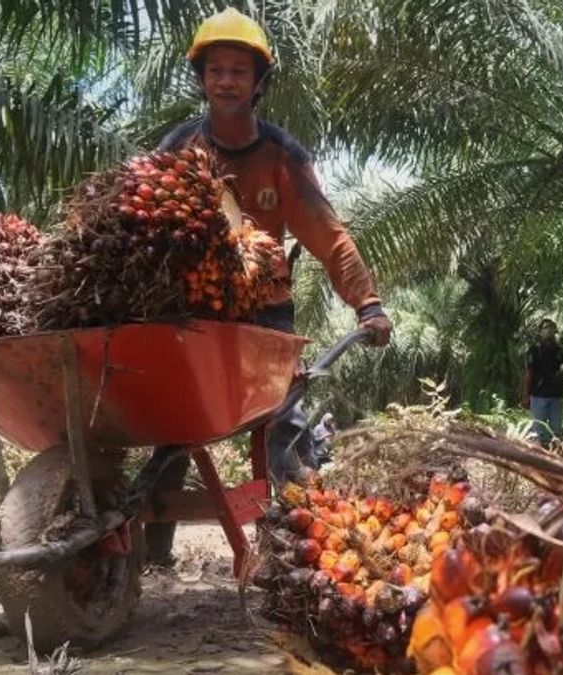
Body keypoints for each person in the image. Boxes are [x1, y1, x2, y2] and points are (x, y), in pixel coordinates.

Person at [144, 7, 392, 567]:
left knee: (283, 417)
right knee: (173, 423)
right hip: (196, 310)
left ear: (258, 84)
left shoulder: (281, 156)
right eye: (215, 70)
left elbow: (329, 236)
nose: (226, 81)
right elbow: (145, 224)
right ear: (201, 79)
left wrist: (367, 303)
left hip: (264, 313)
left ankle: (299, 545)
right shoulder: (181, 147)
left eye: (238, 71)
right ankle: (150, 556)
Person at [520, 319, 563, 445]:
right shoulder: (534, 350)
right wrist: (525, 395)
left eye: (552, 327)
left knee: (555, 432)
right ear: (540, 332)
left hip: (556, 396)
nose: (549, 330)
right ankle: (536, 459)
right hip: (538, 396)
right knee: (537, 432)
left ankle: (555, 458)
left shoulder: (560, 350)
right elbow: (528, 373)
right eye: (546, 328)